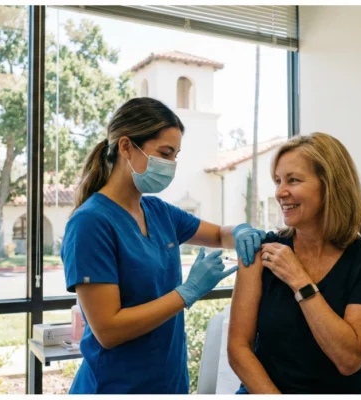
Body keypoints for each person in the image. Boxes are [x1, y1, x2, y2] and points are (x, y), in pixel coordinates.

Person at [60, 97, 265, 394]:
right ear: (126, 146)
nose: (171, 165)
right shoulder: (91, 223)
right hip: (116, 387)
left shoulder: (158, 211)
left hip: (168, 383)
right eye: (165, 153)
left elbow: (220, 234)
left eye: (175, 156)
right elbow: (108, 330)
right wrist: (188, 292)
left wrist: (243, 231)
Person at [227, 132, 361, 394]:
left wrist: (299, 279)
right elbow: (238, 349)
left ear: (330, 186)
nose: (280, 192)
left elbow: (349, 360)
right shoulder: (261, 251)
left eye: (293, 180)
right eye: (278, 181)